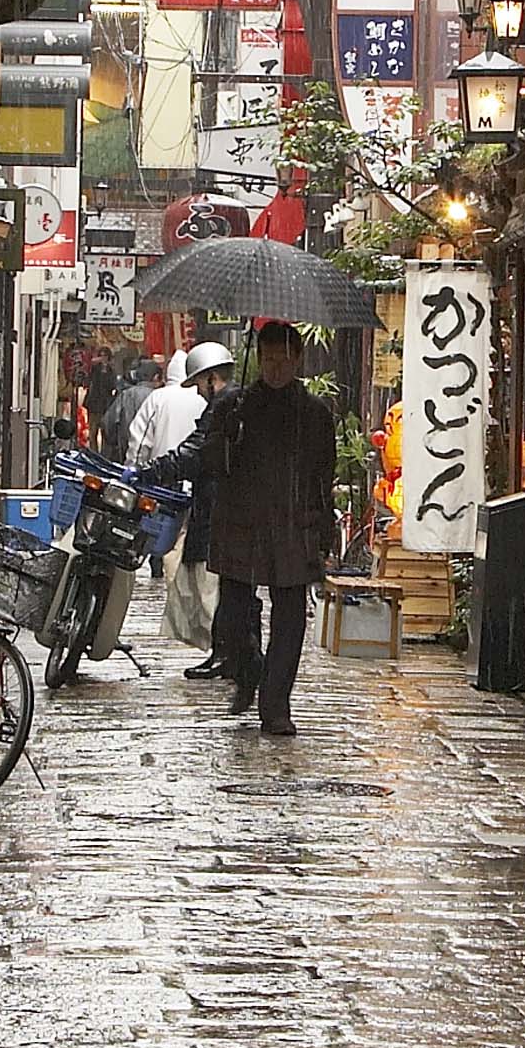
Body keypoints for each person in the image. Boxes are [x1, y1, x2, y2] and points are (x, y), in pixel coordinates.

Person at [181, 316, 341, 738]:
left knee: (289, 619)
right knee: (233, 617)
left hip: (293, 525)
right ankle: (248, 670)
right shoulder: (235, 406)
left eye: (283, 360)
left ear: (297, 360)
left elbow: (325, 475)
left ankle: (276, 705)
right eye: (268, 359)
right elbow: (210, 463)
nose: (275, 368)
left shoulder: (314, 414)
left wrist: (325, 527)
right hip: (242, 524)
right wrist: (227, 436)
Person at [130, 342, 234, 655]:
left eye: (201, 385)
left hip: (218, 510)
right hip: (215, 507)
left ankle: (230, 654)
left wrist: (144, 472)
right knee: (216, 588)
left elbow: (192, 455)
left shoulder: (225, 406)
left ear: (212, 378)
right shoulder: (224, 404)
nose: (200, 393)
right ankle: (225, 654)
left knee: (212, 589)